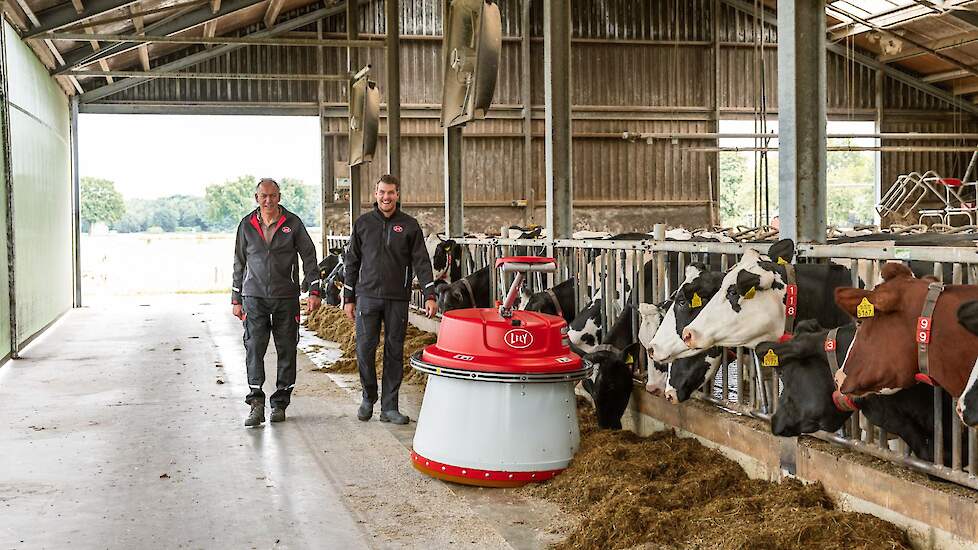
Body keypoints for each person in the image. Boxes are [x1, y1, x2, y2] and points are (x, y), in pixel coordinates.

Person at [343, 174, 438, 425]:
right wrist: (348, 296)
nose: (386, 197)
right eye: (382, 192)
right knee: (364, 348)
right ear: (375, 194)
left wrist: (430, 294)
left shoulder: (409, 225)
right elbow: (352, 261)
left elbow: (421, 261)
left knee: (394, 351)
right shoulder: (363, 223)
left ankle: (390, 407)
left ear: (398, 194)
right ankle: (368, 397)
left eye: (391, 192)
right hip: (367, 296)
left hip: (397, 298)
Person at [232, 178, 322, 427]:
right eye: (264, 196)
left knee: (287, 349)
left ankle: (280, 402)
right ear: (257, 198)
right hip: (254, 297)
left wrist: (314, 290)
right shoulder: (247, 225)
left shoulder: (292, 223)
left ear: (279, 197)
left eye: (273, 196)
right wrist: (235, 298)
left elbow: (309, 256)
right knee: (254, 348)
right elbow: (239, 262)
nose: (268, 200)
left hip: (286, 296)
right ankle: (256, 403)